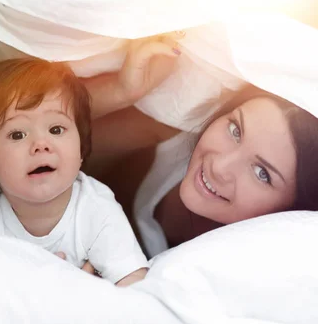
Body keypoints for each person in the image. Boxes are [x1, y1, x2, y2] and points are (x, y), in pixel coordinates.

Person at [79, 39, 318, 257]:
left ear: (294, 210)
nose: (220, 165)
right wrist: (119, 92)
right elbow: (63, 149)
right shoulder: (169, 135)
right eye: (235, 130)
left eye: (261, 173)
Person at [0, 58, 149, 286]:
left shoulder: (96, 209)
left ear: (80, 151)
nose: (41, 144)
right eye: (18, 135)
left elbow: (134, 284)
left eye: (56, 129)